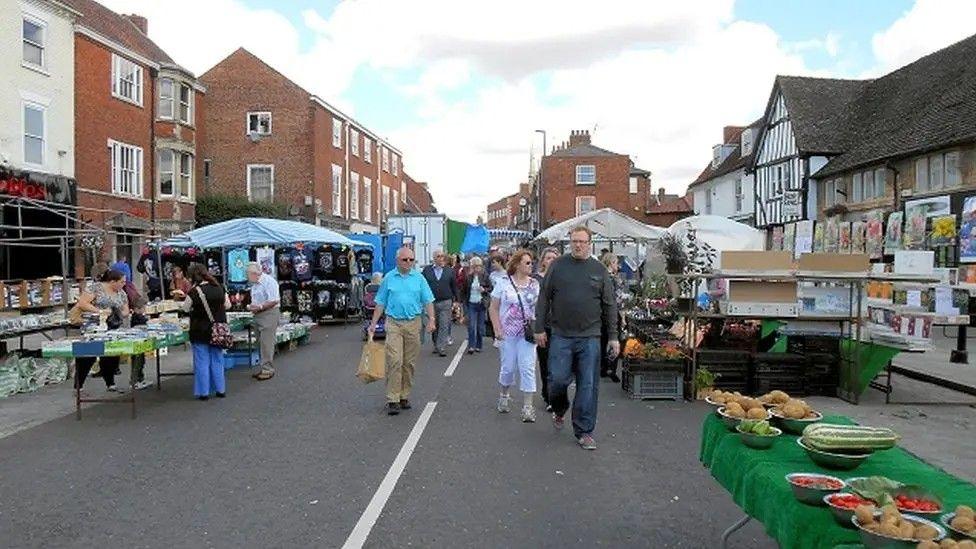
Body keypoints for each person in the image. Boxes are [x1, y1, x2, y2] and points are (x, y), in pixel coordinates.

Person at [535, 226, 619, 451]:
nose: (578, 245)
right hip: (561, 334)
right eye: (574, 241)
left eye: (582, 241)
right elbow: (544, 298)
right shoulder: (558, 266)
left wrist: (613, 337)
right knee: (558, 380)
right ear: (569, 242)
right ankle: (559, 407)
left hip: (590, 336)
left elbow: (610, 305)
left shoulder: (599, 270)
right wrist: (539, 328)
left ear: (589, 243)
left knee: (588, 385)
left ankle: (584, 431)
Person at [369, 247, 436, 416]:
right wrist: (373, 323)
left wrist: (432, 320)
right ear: (397, 260)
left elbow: (428, 300)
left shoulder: (419, 278)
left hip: (414, 322)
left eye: (411, 260)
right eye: (405, 260)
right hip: (394, 323)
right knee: (395, 360)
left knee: (409, 363)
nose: (408, 263)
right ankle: (393, 398)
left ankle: (404, 395)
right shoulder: (389, 278)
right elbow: (380, 303)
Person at [489, 250, 540, 423]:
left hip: (527, 333)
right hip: (507, 334)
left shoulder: (534, 284)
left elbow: (539, 308)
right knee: (508, 367)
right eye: (527, 263)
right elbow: (493, 307)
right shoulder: (503, 283)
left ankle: (528, 407)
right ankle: (504, 395)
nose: (530, 265)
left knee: (527, 368)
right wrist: (497, 329)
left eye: (531, 262)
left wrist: (540, 328)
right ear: (517, 264)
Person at [73, 269, 130, 393]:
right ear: (112, 281)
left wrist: (118, 313)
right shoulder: (96, 288)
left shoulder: (121, 293)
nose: (123, 284)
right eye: (121, 282)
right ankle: (79, 385)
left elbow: (126, 310)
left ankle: (110, 382)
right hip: (93, 326)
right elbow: (82, 303)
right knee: (88, 356)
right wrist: (99, 312)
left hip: (112, 327)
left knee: (111, 355)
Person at [182, 264, 231, 400]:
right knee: (218, 359)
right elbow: (228, 305)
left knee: (202, 361)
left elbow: (185, 308)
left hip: (200, 330)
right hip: (218, 329)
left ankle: (203, 392)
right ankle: (220, 390)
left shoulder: (194, 292)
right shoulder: (220, 287)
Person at [533, 247, 560, 411]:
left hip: (560, 326)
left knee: (558, 363)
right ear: (543, 261)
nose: (551, 260)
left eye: (554, 258)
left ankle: (554, 394)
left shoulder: (562, 278)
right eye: (548, 258)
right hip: (543, 326)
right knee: (545, 362)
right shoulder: (536, 279)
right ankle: (548, 395)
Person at [246, 262, 281, 381]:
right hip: (258, 314)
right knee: (260, 342)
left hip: (269, 314)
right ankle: (264, 367)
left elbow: (275, 300)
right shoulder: (255, 284)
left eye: (248, 274)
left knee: (267, 343)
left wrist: (260, 307)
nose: (247, 276)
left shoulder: (269, 282)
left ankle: (268, 370)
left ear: (254, 273)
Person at [421, 249, 459, 357]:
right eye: (438, 256)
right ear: (434, 258)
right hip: (431, 303)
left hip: (446, 301)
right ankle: (436, 344)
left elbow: (454, 286)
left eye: (442, 256)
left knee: (444, 324)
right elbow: (422, 286)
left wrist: (456, 300)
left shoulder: (449, 271)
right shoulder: (427, 270)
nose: (441, 258)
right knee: (435, 325)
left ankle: (441, 346)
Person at [599, 252, 627, 383]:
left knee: (602, 340)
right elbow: (619, 300)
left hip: (600, 315)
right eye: (616, 262)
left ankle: (603, 368)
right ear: (611, 263)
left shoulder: (600, 278)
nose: (618, 266)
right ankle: (612, 369)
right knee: (614, 340)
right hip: (613, 313)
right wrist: (623, 317)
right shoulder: (615, 280)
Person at [122, 276, 152, 390]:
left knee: (140, 361)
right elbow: (143, 323)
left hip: (140, 342)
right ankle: (134, 381)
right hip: (137, 342)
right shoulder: (137, 317)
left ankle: (140, 379)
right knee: (137, 362)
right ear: (137, 309)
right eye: (143, 308)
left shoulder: (137, 316)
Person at [459, 256, 492, 355]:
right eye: (475, 266)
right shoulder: (468, 277)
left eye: (479, 266)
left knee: (480, 327)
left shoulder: (485, 276)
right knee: (471, 325)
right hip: (471, 304)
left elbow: (491, 288)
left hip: (481, 304)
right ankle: (471, 346)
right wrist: (461, 303)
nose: (477, 268)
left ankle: (479, 345)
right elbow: (463, 291)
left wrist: (484, 290)